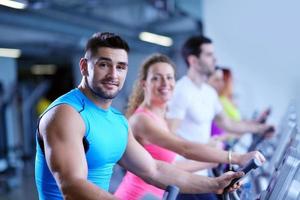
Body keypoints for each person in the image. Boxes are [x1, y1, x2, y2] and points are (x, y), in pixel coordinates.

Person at [35, 32, 245, 200]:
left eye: (120, 67)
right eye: (103, 64)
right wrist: (232, 157)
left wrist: (215, 184)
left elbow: (154, 170)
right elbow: (72, 186)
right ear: (84, 67)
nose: (113, 75)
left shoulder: (116, 120)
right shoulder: (66, 114)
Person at [114, 54, 265, 200]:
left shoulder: (163, 118)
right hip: (135, 195)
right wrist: (236, 158)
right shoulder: (142, 120)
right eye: (156, 78)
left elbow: (170, 167)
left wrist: (214, 171)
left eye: (169, 77)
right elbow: (184, 148)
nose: (165, 83)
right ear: (144, 83)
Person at [166, 35, 274, 200]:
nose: (215, 59)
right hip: (185, 179)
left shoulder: (209, 93)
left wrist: (261, 128)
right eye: (209, 55)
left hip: (204, 172)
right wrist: (206, 147)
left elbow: (228, 123)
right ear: (193, 60)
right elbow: (169, 138)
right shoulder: (181, 91)